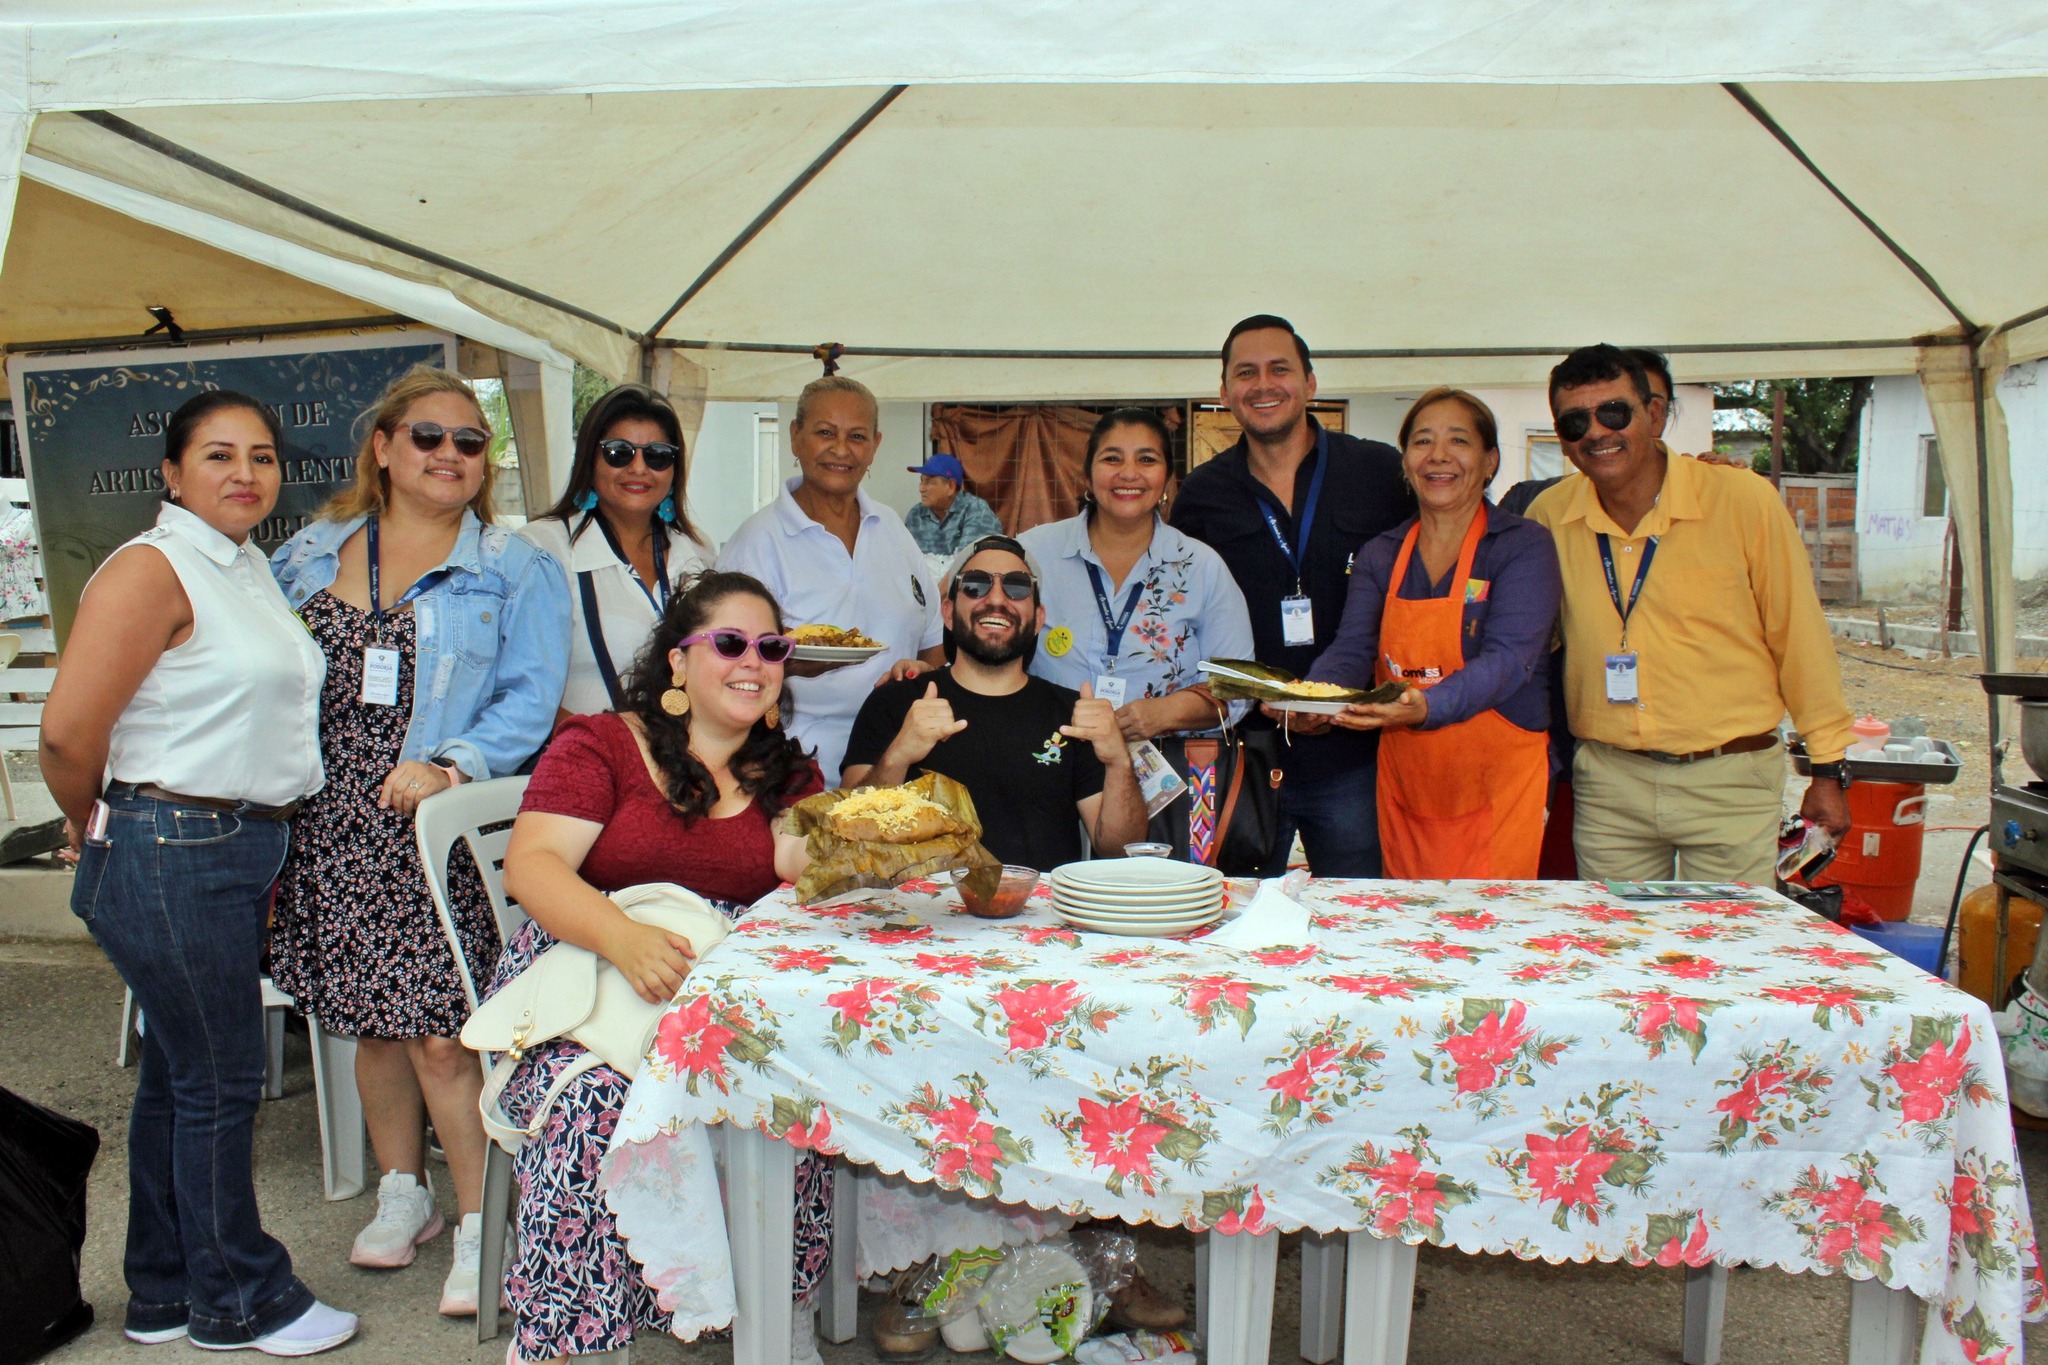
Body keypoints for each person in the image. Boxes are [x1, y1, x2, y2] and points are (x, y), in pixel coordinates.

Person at [39, 392, 357, 1355]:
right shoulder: (154, 567)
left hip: (227, 844)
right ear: (172, 473)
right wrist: (94, 820)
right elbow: (66, 733)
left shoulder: (243, 563)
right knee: (221, 1079)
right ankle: (242, 1298)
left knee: (181, 1075)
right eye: (219, 455)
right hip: (174, 843)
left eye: (261, 456)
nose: (245, 473)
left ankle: (164, 1287)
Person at [269, 366, 571, 1317]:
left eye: (470, 442)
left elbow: (529, 699)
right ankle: (405, 1190)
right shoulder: (307, 554)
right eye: (429, 436)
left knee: (443, 1034)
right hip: (329, 824)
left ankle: (483, 1220)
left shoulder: (516, 567)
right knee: (372, 1023)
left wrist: (450, 764)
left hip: (434, 828)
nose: (450, 454)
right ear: (384, 447)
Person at [490, 571, 831, 1365]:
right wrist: (623, 937)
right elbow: (533, 866)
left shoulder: (784, 769)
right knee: (594, 1104)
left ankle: (777, 1307)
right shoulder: (602, 745)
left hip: (730, 989)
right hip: (595, 975)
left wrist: (857, 835)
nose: (754, 661)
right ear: (678, 659)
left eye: (772, 647)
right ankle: (569, 1335)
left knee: (801, 1081)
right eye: (731, 642)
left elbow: (800, 870)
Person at [1525, 344, 1854, 883]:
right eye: (1575, 422)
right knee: (1617, 935)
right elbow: (1533, 641)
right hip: (1610, 782)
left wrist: (1828, 769)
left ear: (1654, 415)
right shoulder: (1549, 516)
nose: (1596, 432)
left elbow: (1799, 640)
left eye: (1614, 412)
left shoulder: (1742, 500)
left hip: (1730, 777)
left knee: (1727, 936)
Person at [1169, 314, 1412, 876]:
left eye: (1279, 369)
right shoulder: (1203, 494)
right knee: (1234, 908)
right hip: (1246, 754)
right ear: (1224, 392)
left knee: (1357, 909)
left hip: (1356, 753)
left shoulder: (1379, 473)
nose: (1263, 384)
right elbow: (1187, 618)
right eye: (1246, 373)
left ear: (1310, 382)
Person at [1297, 389, 1562, 877]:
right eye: (1422, 441)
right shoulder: (1382, 554)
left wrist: (1426, 705)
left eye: (1458, 440)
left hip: (1498, 783)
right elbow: (1353, 648)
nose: (1438, 455)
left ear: (1490, 461)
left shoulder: (1522, 545)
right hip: (1409, 783)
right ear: (1406, 462)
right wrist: (1310, 698)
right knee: (1407, 917)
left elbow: (1510, 660)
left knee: (1491, 919)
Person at [1018, 408, 1254, 854]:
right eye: (1112, 458)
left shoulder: (1201, 567)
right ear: (1087, 475)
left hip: (1166, 786)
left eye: (1147, 459)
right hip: (1046, 770)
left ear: (1167, 478)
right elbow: (979, 633)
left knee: (1148, 894)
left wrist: (1161, 713)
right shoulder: (1033, 554)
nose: (1129, 473)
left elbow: (1239, 686)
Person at [842, 536, 1145, 871]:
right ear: (948, 612)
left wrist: (1118, 761)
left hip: (1039, 905)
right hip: (920, 904)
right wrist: (899, 755)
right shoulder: (894, 701)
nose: (997, 599)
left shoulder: (1074, 716)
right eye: (975, 585)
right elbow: (848, 836)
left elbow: (1120, 851)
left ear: (1038, 618)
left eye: (1017, 587)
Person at [718, 374, 945, 779]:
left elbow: (932, 639)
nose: (841, 449)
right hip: (793, 765)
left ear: (875, 446)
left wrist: (919, 676)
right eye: (825, 432)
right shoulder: (757, 542)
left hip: (899, 757)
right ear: (795, 437)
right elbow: (723, 663)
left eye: (857, 436)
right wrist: (787, 663)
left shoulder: (892, 527)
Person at [518, 383, 713, 717]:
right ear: (589, 460)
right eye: (618, 452)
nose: (638, 468)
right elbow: (517, 685)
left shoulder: (698, 551)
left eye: (657, 455)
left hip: (678, 746)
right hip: (577, 746)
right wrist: (600, 743)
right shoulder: (541, 548)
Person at [903, 452, 1002, 556]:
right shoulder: (915, 515)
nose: (921, 488)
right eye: (922, 481)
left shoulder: (976, 510)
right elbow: (906, 558)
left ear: (951, 486)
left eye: (929, 482)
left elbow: (972, 560)